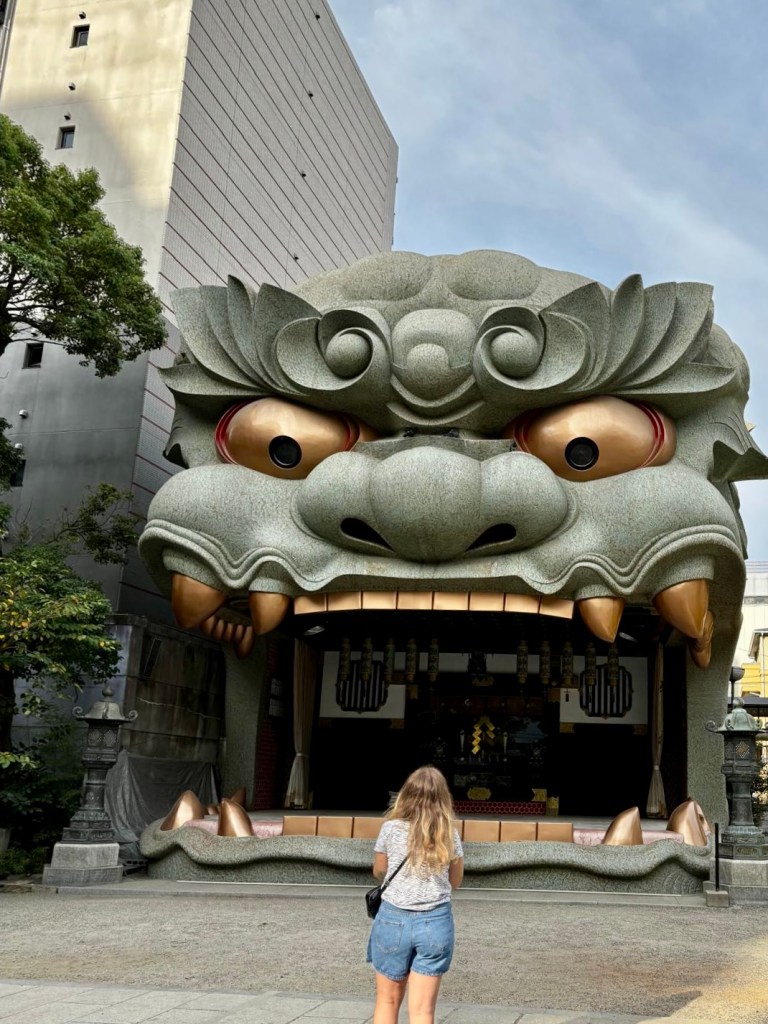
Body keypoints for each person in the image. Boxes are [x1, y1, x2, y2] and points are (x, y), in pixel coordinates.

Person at [367, 765, 464, 1024]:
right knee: (422, 1012)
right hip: (435, 920)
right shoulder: (449, 834)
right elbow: (455, 881)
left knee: (387, 1002)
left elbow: (379, 870)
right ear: (443, 798)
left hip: (392, 917)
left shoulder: (390, 829)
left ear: (406, 794)